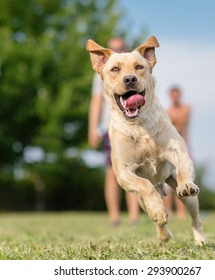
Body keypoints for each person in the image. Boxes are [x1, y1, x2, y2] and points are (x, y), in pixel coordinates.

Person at [88, 37, 140, 227]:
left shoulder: (133, 71)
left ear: (126, 49)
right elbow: (96, 101)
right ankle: (114, 217)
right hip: (110, 127)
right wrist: (92, 128)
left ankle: (134, 217)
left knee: (133, 170)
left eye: (120, 48)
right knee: (112, 173)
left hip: (132, 124)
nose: (116, 51)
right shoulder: (102, 73)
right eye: (112, 49)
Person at [163, 86, 191, 219]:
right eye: (173, 95)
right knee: (168, 181)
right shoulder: (167, 111)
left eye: (177, 95)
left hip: (183, 144)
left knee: (183, 177)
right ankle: (169, 209)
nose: (176, 97)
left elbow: (184, 127)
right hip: (170, 145)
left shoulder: (186, 108)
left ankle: (181, 211)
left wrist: (187, 149)